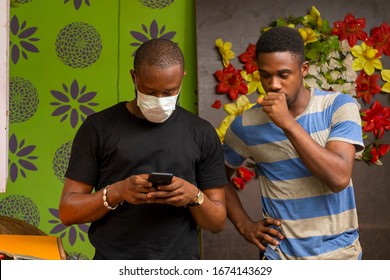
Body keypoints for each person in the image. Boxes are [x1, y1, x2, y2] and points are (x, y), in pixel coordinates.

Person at [59, 38, 227, 260]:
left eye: (169, 92)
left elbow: (216, 222)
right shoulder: (98, 128)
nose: (159, 100)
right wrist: (118, 192)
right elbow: (68, 211)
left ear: (181, 78)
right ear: (133, 77)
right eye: (149, 91)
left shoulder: (202, 133)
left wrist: (193, 196)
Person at [223, 26, 364, 260]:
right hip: (281, 258)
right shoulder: (246, 125)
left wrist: (287, 123)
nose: (274, 84)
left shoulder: (338, 107)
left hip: (341, 257)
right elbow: (216, 176)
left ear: (304, 70)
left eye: (283, 74)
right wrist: (245, 226)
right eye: (265, 75)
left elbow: (339, 178)